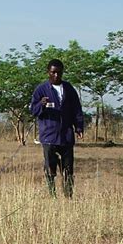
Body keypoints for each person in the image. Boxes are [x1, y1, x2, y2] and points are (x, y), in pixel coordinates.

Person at [30, 59, 84, 198]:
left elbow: (76, 109)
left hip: (66, 136)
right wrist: (41, 104)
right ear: (48, 72)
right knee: (50, 168)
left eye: (59, 72)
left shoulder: (68, 88)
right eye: (53, 72)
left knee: (68, 169)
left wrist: (78, 126)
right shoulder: (41, 89)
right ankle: (52, 195)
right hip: (49, 137)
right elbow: (33, 110)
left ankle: (68, 196)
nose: (56, 75)